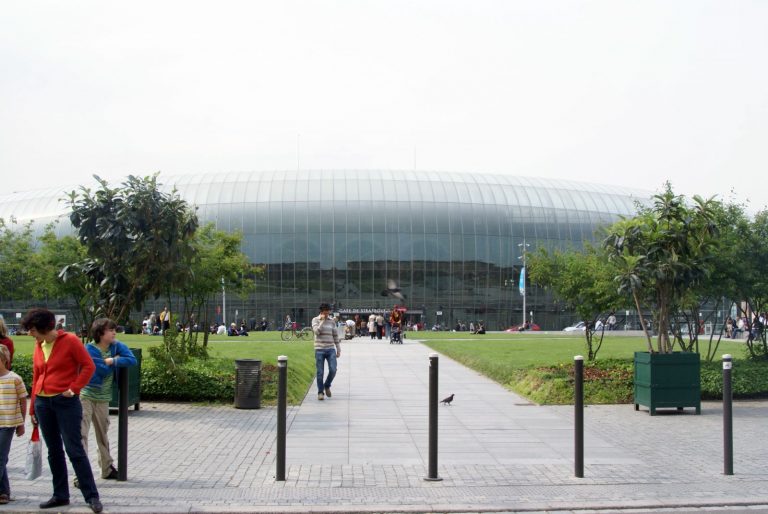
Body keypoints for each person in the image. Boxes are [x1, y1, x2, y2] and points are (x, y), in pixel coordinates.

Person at [21, 308, 103, 513]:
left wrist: (74, 389)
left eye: (32, 329)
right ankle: (60, 495)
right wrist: (32, 408)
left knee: (74, 449)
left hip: (65, 402)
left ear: (44, 327)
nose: (30, 333)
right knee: (54, 451)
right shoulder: (39, 344)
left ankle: (91, 495)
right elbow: (36, 373)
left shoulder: (71, 341)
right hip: (42, 402)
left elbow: (88, 366)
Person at [79, 318, 137, 485]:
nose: (114, 333)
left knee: (102, 434)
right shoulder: (89, 349)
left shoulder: (116, 346)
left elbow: (132, 359)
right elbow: (100, 369)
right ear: (100, 333)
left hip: (103, 398)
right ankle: (81, 473)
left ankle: (106, 468)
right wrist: (112, 363)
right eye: (110, 330)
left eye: (114, 330)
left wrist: (113, 360)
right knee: (82, 433)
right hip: (86, 396)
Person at [0, 345, 26, 505]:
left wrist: (21, 423)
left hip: (7, 424)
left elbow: (23, 402)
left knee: (1, 458)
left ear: (4, 360)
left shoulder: (14, 379)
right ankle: (4, 492)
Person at [311, 303, 340, 401]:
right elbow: (317, 332)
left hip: (330, 349)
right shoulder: (315, 320)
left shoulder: (332, 321)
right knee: (320, 372)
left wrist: (338, 349)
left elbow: (335, 335)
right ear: (321, 311)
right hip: (319, 349)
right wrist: (322, 321)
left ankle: (327, 385)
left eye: (328, 311)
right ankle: (320, 392)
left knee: (333, 369)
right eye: (325, 311)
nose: (327, 313)